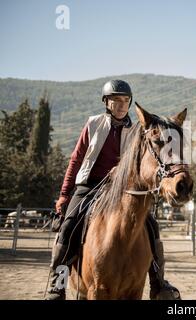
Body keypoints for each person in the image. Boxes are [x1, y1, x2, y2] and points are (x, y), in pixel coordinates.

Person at [46, 79, 180, 300]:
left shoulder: (138, 130)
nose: (121, 105)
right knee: (69, 225)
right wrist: (64, 194)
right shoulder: (93, 124)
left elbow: (142, 159)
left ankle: (159, 283)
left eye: (126, 100)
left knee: (151, 226)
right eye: (116, 100)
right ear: (106, 102)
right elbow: (76, 160)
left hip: (121, 188)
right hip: (89, 185)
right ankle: (57, 285)